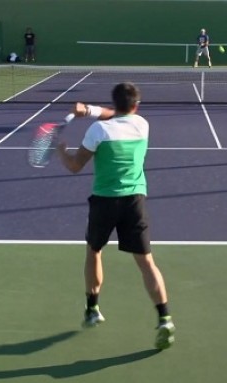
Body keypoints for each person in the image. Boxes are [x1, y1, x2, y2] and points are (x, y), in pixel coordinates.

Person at [56, 82, 176, 350]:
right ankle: (165, 318)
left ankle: (92, 309)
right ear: (136, 105)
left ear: (115, 102)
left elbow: (76, 166)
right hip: (135, 202)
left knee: (94, 252)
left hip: (104, 202)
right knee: (146, 263)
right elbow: (118, 115)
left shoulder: (98, 130)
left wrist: (62, 152)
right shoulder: (142, 125)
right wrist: (88, 110)